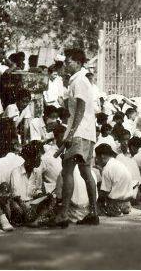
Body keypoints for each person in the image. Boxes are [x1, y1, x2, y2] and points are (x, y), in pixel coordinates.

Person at [54, 49, 98, 227]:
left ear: (79, 63)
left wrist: (71, 133)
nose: (66, 64)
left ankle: (63, 214)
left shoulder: (79, 81)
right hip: (87, 132)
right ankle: (93, 213)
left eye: (69, 62)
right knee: (85, 172)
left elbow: (80, 107)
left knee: (67, 171)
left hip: (79, 132)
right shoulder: (79, 80)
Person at [95, 143, 134, 217]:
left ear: (102, 156)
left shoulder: (107, 169)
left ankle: (111, 210)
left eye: (97, 157)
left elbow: (105, 192)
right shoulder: (117, 163)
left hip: (116, 204)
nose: (96, 160)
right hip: (127, 203)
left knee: (98, 192)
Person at [116, 131, 141, 202]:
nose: (126, 142)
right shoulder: (115, 151)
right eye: (124, 139)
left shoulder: (131, 155)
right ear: (119, 140)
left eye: (128, 139)